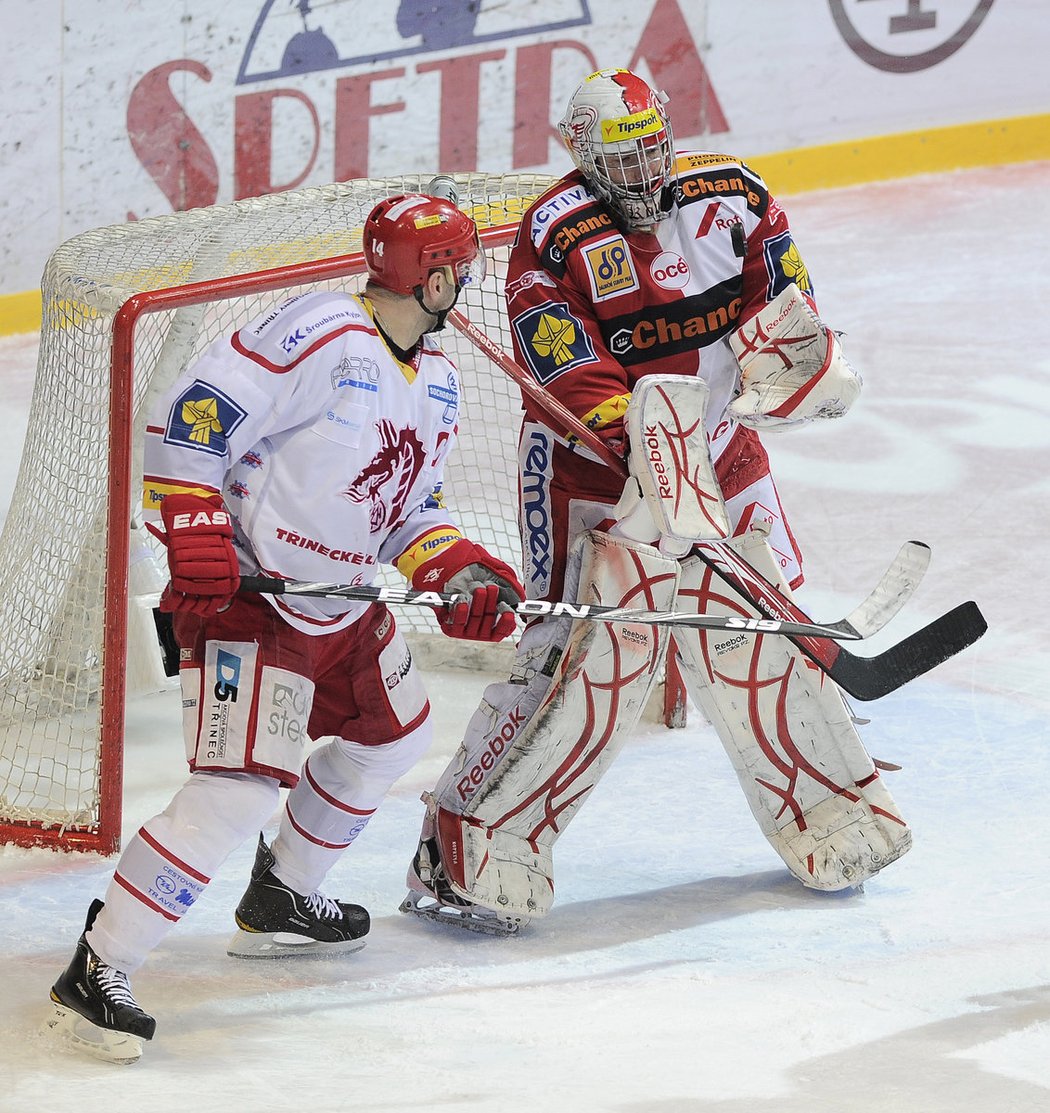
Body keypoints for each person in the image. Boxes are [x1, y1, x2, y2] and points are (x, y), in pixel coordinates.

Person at [400, 68, 908, 934]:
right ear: (580, 155)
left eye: (651, 149)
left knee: (766, 636)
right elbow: (563, 372)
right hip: (589, 471)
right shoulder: (553, 238)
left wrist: (791, 366)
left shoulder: (733, 196)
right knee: (577, 657)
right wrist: (650, 462)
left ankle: (827, 805)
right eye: (620, 157)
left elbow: (783, 308)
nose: (643, 170)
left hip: (717, 447)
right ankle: (461, 845)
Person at [48, 191, 524, 1064]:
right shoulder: (323, 332)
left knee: (391, 735)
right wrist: (195, 532)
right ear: (435, 276)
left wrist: (451, 566)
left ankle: (282, 894)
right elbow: (192, 417)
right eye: (460, 266)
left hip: (341, 599)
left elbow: (409, 506)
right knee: (236, 790)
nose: (469, 281)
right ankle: (99, 961)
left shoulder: (441, 381)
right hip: (252, 597)